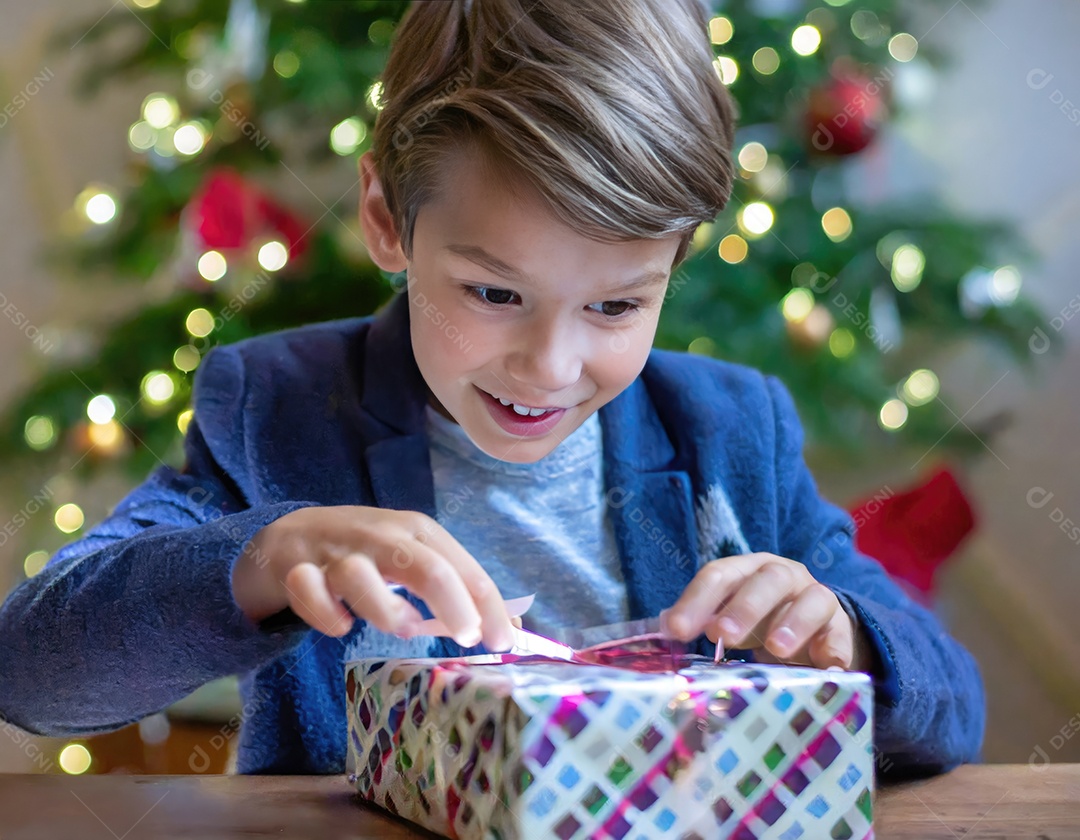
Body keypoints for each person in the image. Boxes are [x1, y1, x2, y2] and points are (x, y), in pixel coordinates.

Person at [0, 0, 983, 777]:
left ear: (675, 265)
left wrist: (848, 637)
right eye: (494, 291)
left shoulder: (732, 430)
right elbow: (34, 668)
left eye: (615, 308)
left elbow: (955, 706)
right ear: (387, 218)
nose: (550, 368)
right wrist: (263, 559)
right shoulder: (279, 411)